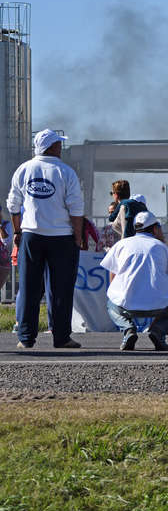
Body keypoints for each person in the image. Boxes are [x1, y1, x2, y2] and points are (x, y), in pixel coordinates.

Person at [6, 129, 84, 349]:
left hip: (31, 235)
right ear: (51, 147)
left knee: (29, 287)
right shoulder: (66, 172)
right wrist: (77, 237)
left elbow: (13, 204)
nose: (61, 147)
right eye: (58, 144)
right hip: (61, 237)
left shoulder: (24, 169)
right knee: (61, 288)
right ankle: (61, 337)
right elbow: (76, 208)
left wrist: (18, 232)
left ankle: (25, 338)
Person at [100, 211, 168, 351]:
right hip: (159, 305)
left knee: (110, 302)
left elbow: (112, 273)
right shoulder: (161, 247)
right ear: (155, 229)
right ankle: (158, 332)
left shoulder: (122, 244)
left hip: (126, 304)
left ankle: (128, 330)